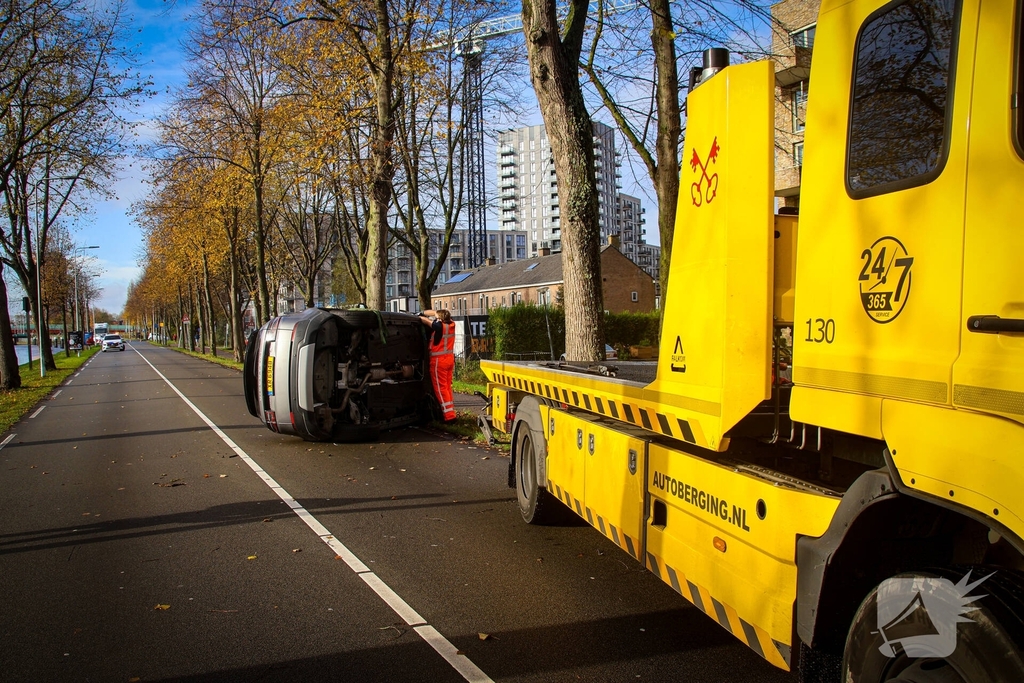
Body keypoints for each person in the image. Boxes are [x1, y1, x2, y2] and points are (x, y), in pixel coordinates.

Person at [418, 308, 456, 422]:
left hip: (439, 361)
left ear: (439, 319)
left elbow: (427, 322)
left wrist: (419, 317)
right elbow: (436, 313)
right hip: (449, 359)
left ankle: (449, 417)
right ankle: (451, 412)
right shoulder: (451, 324)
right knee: (447, 387)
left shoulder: (439, 327)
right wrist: (423, 311)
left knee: (440, 389)